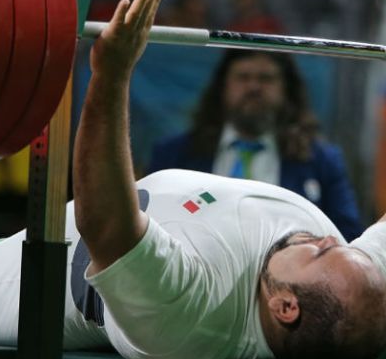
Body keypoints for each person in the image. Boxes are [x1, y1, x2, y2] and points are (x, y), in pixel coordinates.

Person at [0, 0, 386, 359]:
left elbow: (105, 222)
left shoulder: (192, 312)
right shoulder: (359, 292)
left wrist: (111, 77)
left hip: (29, 278)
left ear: (284, 306)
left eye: (323, 253)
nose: (335, 239)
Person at [146, 46, 363, 241]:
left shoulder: (322, 161)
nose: (253, 87)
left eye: (266, 78)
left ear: (286, 90)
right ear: (223, 87)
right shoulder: (173, 155)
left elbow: (347, 237)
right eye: (243, 77)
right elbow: (149, 228)